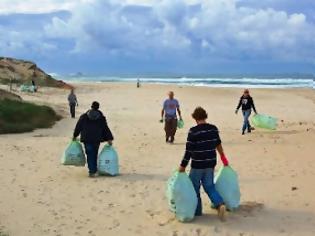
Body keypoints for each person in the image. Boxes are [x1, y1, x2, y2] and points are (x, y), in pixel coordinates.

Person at [178, 107, 229, 220]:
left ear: (195, 118)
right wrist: (223, 158)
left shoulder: (193, 131)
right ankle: (220, 204)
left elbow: (189, 151)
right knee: (210, 186)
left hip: (197, 164)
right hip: (211, 163)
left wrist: (183, 166)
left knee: (194, 188)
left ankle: (198, 211)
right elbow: (218, 144)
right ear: (205, 116)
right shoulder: (213, 129)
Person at [73, 101, 114, 177]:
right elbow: (105, 128)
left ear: (91, 106)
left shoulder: (84, 116)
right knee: (94, 153)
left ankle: (92, 171)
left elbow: (78, 126)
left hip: (87, 138)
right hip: (96, 138)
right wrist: (109, 139)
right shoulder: (101, 117)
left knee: (89, 154)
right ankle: (93, 169)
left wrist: (75, 135)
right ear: (98, 107)